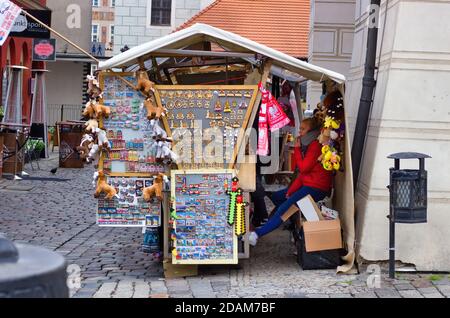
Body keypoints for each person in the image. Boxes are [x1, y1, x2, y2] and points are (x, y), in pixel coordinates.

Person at [248, 117, 333, 246]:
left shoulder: (315, 146)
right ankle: (279, 221)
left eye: (303, 129)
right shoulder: (310, 144)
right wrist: (291, 191)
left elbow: (303, 169)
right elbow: (303, 175)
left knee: (284, 208)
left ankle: (257, 234)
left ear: (311, 132)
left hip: (316, 187)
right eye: (300, 128)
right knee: (278, 197)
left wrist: (297, 149)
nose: (300, 132)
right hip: (309, 184)